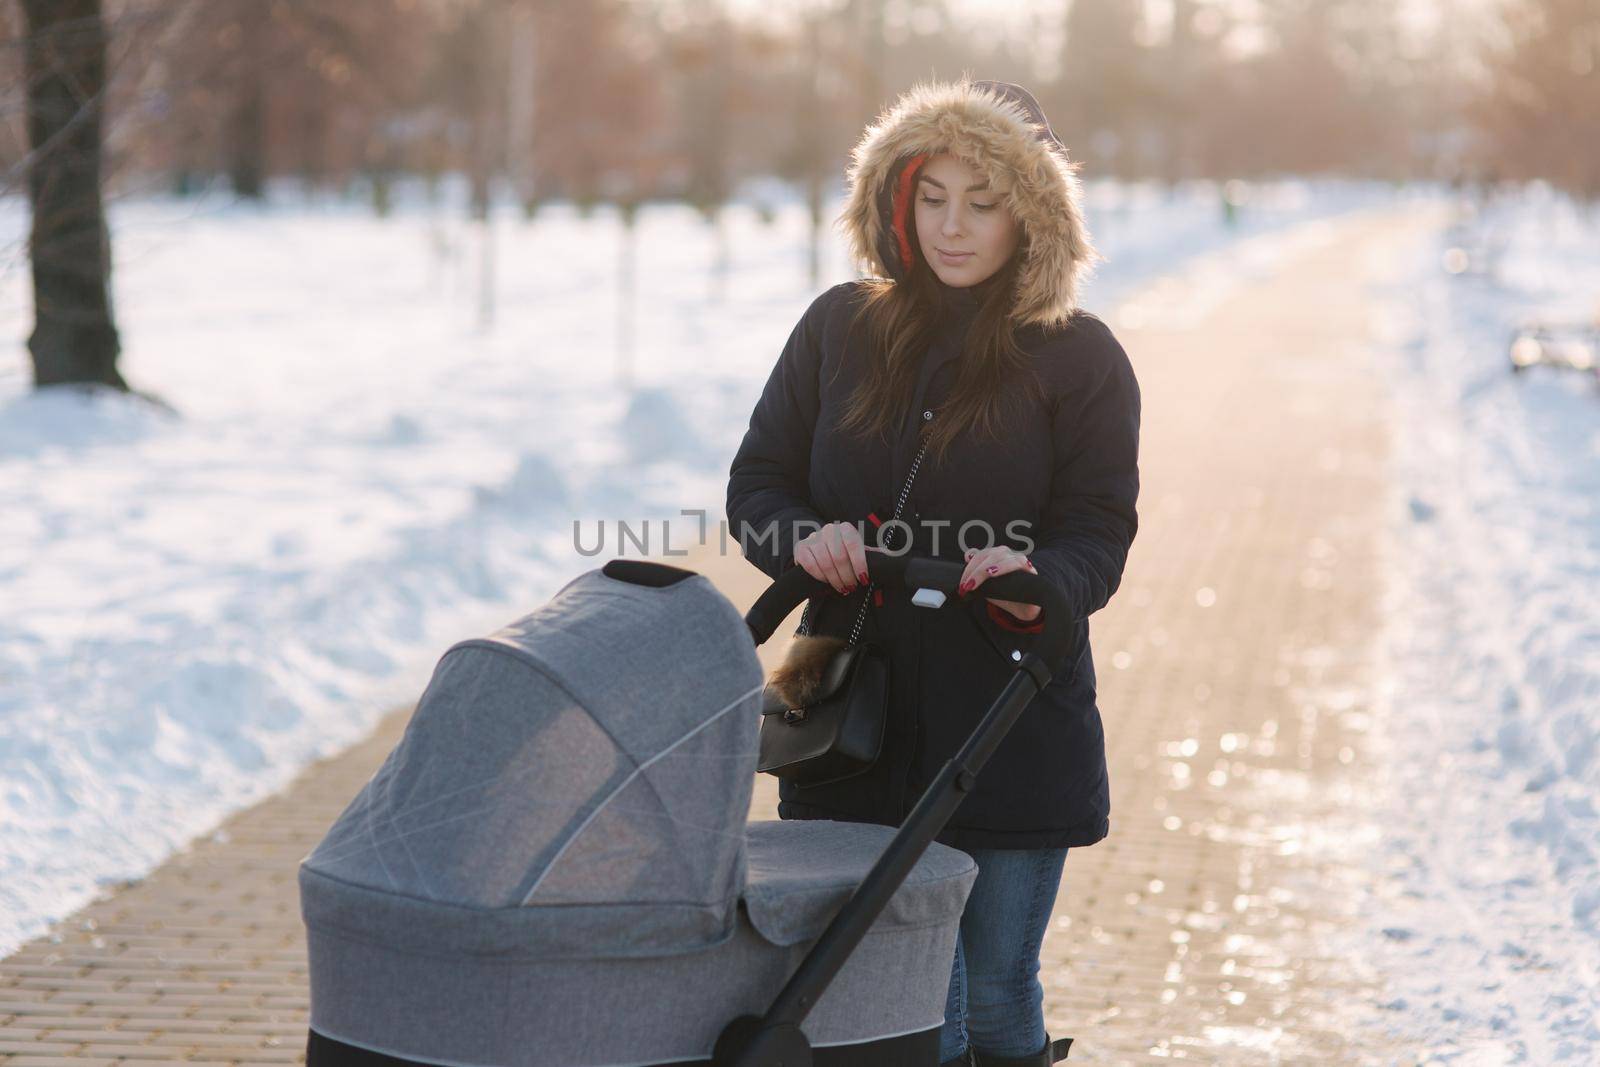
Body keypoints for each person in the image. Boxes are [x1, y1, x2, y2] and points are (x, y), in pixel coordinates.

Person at [725, 77, 1140, 1067]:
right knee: (888, 1005)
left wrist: (1036, 570)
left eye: (984, 202)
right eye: (932, 196)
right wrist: (800, 538)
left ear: (1031, 214)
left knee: (992, 994)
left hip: (1004, 716)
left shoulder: (1078, 358)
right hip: (846, 722)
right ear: (895, 200)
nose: (953, 226)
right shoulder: (838, 327)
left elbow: (1098, 529)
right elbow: (759, 482)